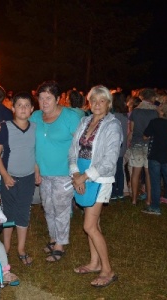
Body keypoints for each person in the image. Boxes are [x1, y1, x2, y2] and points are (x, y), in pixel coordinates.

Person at [69, 85, 122, 288]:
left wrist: (85, 177)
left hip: (99, 179)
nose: (97, 105)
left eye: (102, 101)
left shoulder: (112, 126)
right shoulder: (84, 121)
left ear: (108, 103)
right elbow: (73, 150)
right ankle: (94, 263)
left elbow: (109, 161)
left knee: (89, 226)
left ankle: (107, 270)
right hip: (81, 175)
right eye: (94, 101)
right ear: (89, 103)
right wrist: (75, 174)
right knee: (94, 223)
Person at [30, 80, 81, 262]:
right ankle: (53, 238)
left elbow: (79, 144)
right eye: (41, 98)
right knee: (48, 207)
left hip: (64, 173)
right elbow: (27, 138)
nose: (44, 102)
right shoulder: (35, 117)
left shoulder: (70, 117)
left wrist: (78, 171)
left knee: (61, 208)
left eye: (49, 98)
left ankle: (60, 243)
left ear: (58, 99)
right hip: (43, 172)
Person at [0, 92, 36, 265]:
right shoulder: (4, 127)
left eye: (27, 105)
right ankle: (7, 247)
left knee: (23, 212)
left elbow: (35, 152)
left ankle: (21, 249)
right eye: (19, 105)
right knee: (8, 212)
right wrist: (5, 175)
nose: (23, 108)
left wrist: (37, 171)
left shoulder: (35, 127)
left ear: (32, 109)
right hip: (9, 177)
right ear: (12, 108)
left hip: (28, 178)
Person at [141, 102, 167, 215]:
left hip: (155, 155)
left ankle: (155, 207)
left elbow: (145, 136)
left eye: (160, 106)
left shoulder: (154, 122)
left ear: (162, 111)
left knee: (155, 182)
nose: (158, 106)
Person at [128, 88, 158, 205]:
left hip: (137, 143)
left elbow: (132, 129)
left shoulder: (135, 111)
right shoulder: (156, 112)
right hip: (150, 144)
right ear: (152, 98)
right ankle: (149, 200)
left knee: (136, 172)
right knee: (148, 173)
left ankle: (134, 199)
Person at [110, 92, 128, 200]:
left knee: (113, 169)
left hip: (114, 146)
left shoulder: (113, 116)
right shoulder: (125, 116)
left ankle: (113, 192)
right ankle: (120, 191)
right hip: (122, 146)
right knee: (120, 169)